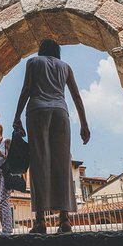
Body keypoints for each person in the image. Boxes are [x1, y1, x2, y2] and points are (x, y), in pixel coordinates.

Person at [13, 39, 90, 234]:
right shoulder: (65, 66)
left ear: (41, 50)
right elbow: (76, 96)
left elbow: (26, 90)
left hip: (37, 109)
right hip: (60, 111)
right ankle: (65, 220)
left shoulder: (33, 62)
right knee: (62, 163)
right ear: (57, 52)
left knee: (39, 162)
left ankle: (40, 221)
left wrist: (16, 116)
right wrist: (84, 124)